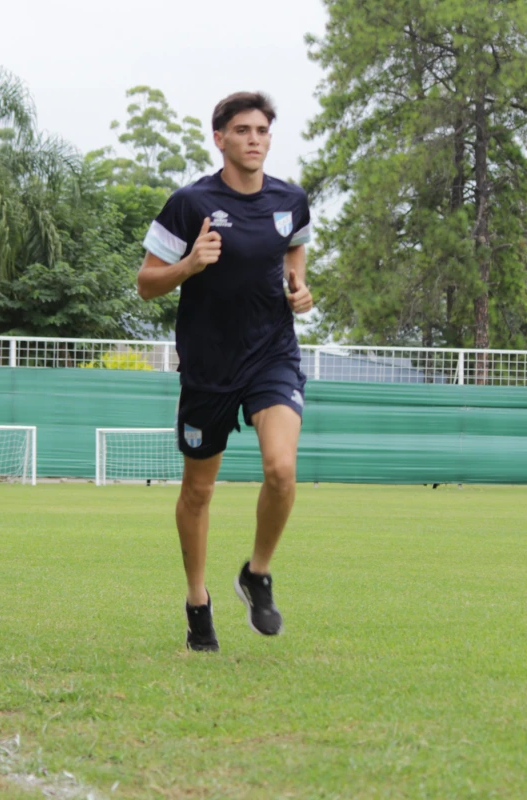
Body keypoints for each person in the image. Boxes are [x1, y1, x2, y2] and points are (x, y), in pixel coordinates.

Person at [137, 91, 313, 652]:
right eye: (242, 130)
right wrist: (190, 264)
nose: (254, 138)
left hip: (271, 357)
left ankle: (256, 574)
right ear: (220, 139)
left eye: (262, 129)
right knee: (198, 490)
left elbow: (294, 251)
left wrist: (300, 288)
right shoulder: (190, 204)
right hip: (208, 367)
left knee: (281, 469)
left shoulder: (290, 200)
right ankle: (197, 601)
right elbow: (146, 283)